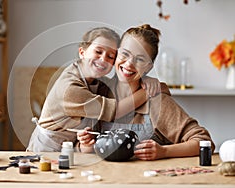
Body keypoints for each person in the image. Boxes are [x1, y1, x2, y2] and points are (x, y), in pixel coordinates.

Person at [77, 24, 215, 160]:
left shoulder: (157, 102)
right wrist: (86, 144)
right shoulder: (97, 94)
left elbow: (204, 142)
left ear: (148, 67)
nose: (130, 64)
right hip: (107, 180)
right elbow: (84, 149)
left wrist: (164, 152)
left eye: (140, 59)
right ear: (116, 53)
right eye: (125, 54)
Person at [27, 27, 167, 152]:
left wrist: (147, 80)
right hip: (45, 150)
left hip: (70, 149)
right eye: (98, 51)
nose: (103, 59)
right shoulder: (70, 89)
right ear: (82, 52)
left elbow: (122, 83)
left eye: (111, 56)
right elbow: (116, 111)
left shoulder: (95, 82)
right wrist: (150, 91)